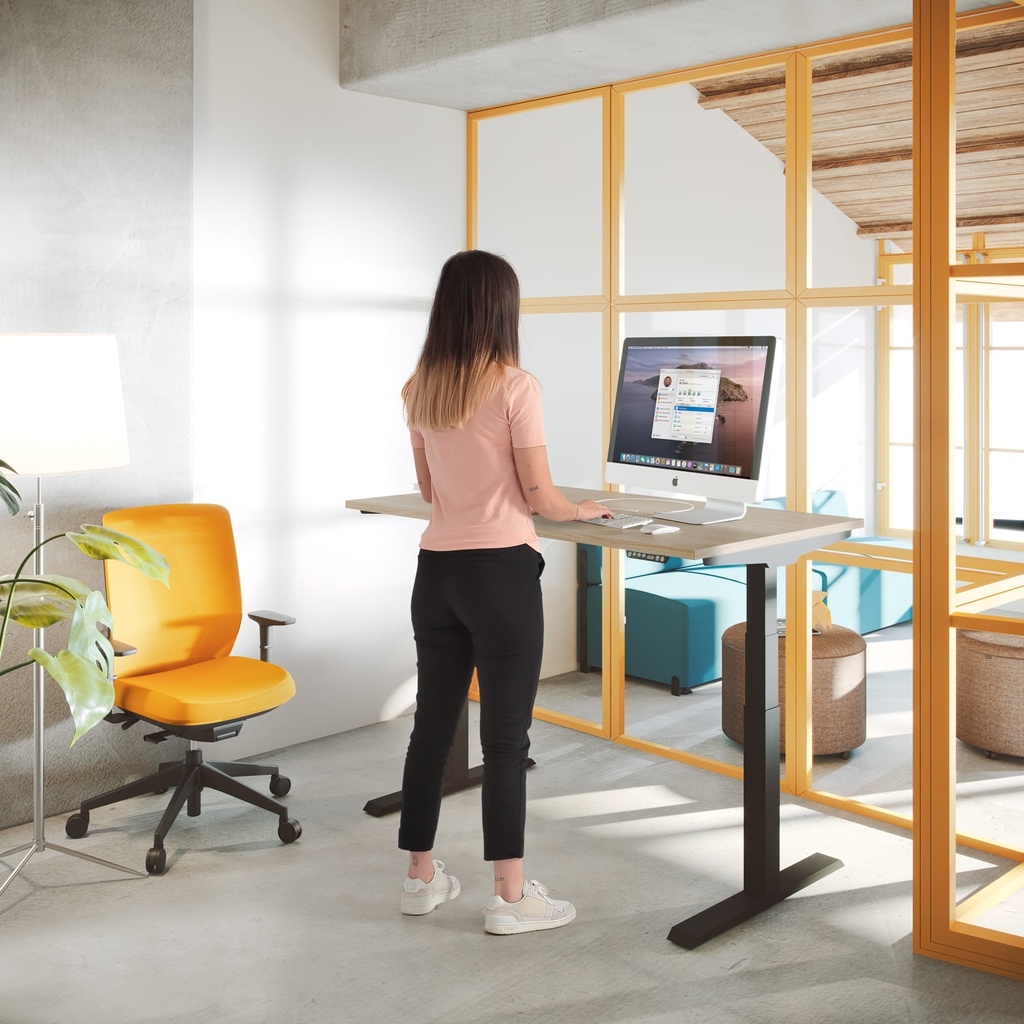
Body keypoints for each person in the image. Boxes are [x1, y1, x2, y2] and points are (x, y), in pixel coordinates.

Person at [396, 249, 613, 935]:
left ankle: (421, 878)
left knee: (433, 727)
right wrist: (582, 510)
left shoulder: (420, 388)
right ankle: (511, 898)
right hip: (499, 575)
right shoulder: (515, 386)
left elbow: (432, 492)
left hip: (436, 575)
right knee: (506, 739)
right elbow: (541, 497)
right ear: (500, 308)